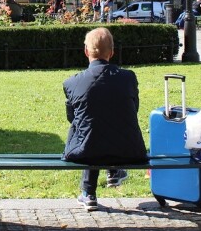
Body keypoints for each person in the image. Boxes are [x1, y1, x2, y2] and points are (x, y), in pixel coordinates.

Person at [62, 28, 147, 210]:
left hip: (85, 149)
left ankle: (88, 192)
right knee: (106, 126)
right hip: (128, 148)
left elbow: (72, 117)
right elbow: (134, 109)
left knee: (91, 131)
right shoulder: (128, 78)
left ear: (86, 52)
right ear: (112, 51)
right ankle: (114, 171)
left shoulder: (72, 82)